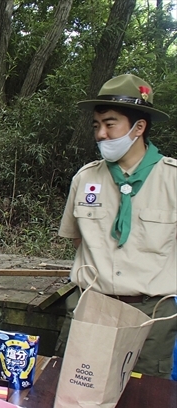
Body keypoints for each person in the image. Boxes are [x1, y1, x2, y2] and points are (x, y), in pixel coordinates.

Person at [56, 74, 177, 378]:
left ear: (139, 127)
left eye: (110, 124)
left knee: (145, 406)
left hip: (150, 316)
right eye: (97, 125)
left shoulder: (172, 180)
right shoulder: (86, 179)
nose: (101, 134)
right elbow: (77, 240)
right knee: (75, 392)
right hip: (90, 307)